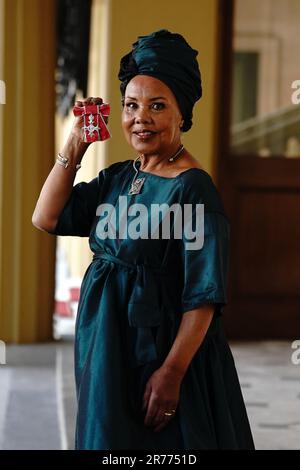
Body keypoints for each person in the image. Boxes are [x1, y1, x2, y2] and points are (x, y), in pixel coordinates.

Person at [32, 29, 255, 450]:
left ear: (181, 114)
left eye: (157, 106)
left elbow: (203, 297)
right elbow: (47, 217)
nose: (141, 118)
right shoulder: (120, 177)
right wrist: (74, 146)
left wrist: (171, 373)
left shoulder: (193, 189)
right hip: (107, 347)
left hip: (158, 352)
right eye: (131, 106)